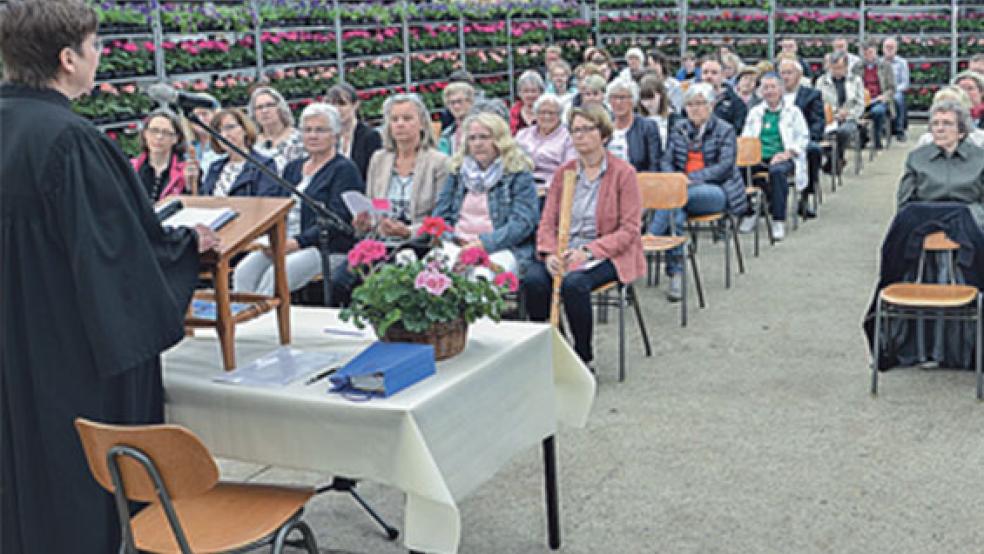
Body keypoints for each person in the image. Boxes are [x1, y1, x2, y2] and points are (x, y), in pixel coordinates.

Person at [0, 2, 218, 552]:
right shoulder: (71, 141)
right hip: (63, 361)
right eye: (95, 46)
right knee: (72, 498)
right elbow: (120, 265)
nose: (99, 57)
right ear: (67, 58)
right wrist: (188, 247)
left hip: (10, 348)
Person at [525, 105, 645, 365]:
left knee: (574, 285)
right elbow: (547, 221)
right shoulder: (564, 173)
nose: (579, 136)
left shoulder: (623, 173)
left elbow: (629, 229)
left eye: (587, 129)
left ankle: (583, 357)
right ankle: (555, 349)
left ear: (603, 134)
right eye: (575, 130)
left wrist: (588, 252)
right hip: (565, 248)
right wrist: (549, 254)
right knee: (533, 280)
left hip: (607, 252)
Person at [234, 103, 362, 296]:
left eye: (320, 130)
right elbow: (278, 209)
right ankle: (242, 314)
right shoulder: (293, 168)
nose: (313, 136)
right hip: (284, 242)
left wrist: (297, 242)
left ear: (335, 135)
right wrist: (272, 240)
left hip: (322, 248)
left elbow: (338, 220)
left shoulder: (344, 170)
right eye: (307, 130)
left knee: (277, 275)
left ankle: (267, 315)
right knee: (244, 272)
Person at [335, 94, 450, 306]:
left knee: (387, 281)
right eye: (394, 119)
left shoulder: (439, 162)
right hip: (381, 239)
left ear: (422, 123)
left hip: (417, 242)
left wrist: (408, 231)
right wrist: (365, 222)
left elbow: (440, 217)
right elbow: (373, 205)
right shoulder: (379, 159)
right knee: (340, 280)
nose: (400, 124)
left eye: (407, 118)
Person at [648, 83, 748, 301]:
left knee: (675, 200)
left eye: (700, 103)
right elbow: (666, 160)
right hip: (680, 193)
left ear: (711, 105)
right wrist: (675, 179)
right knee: (676, 213)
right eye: (690, 104)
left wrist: (690, 180)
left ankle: (649, 238)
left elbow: (724, 167)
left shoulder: (725, 130)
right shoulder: (679, 128)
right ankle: (676, 273)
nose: (695, 108)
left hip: (716, 190)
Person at [431, 112, 539, 279]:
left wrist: (482, 245)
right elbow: (440, 215)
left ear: (500, 140)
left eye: (484, 137)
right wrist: (454, 242)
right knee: (432, 272)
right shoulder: (457, 171)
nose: (478, 143)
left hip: (501, 247)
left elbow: (522, 224)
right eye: (472, 138)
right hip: (456, 243)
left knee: (481, 276)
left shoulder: (518, 173)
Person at [740, 73, 810, 240]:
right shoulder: (755, 112)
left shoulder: (793, 112)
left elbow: (803, 137)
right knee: (738, 171)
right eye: (765, 87)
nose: (769, 91)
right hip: (758, 158)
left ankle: (778, 219)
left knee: (777, 172)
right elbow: (746, 137)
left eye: (773, 87)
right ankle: (750, 212)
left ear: (781, 90)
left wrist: (788, 153)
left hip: (784, 157)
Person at [898, 100, 984, 230]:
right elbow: (905, 204)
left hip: (971, 220)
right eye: (935, 124)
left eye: (947, 123)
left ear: (961, 131)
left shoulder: (980, 158)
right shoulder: (916, 158)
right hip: (927, 220)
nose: (940, 129)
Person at [779, 59, 825, 218]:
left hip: (802, 138)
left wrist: (803, 141)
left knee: (813, 150)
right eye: (782, 73)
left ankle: (805, 195)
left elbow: (818, 122)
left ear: (799, 76)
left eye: (789, 73)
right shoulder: (773, 95)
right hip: (779, 140)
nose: (785, 77)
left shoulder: (812, 95)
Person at [200, 108, 279, 196]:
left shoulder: (264, 165)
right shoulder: (215, 167)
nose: (224, 135)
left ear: (244, 129)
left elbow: (266, 200)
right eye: (218, 131)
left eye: (229, 127)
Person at [515, 93, 576, 193]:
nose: (546, 116)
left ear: (559, 115)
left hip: (551, 189)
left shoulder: (568, 138)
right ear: (535, 114)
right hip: (521, 186)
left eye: (551, 113)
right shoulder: (522, 135)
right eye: (542, 112)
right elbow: (511, 162)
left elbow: (568, 170)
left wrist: (547, 188)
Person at [817, 50, 865, 174]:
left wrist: (849, 114)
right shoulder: (822, 81)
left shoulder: (856, 80)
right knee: (821, 133)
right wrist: (834, 114)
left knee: (843, 131)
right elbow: (818, 103)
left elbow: (860, 104)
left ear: (846, 67)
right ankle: (836, 159)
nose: (837, 71)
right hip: (829, 118)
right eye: (834, 68)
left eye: (840, 68)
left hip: (850, 117)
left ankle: (834, 160)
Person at [130, 108, 192, 201]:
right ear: (145, 134)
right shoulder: (131, 168)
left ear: (176, 138)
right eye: (154, 130)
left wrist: (190, 184)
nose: (159, 137)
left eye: (166, 132)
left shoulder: (187, 170)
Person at [325, 82, 381, 182]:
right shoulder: (328, 137)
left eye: (342, 104)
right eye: (332, 104)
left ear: (355, 105)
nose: (337, 109)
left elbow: (374, 174)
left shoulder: (370, 136)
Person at [606, 78, 662, 172]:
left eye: (623, 97)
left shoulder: (647, 127)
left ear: (633, 100)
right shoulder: (603, 127)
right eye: (614, 97)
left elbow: (654, 165)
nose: (618, 102)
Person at [249, 85, 305, 173]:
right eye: (259, 107)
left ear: (280, 108)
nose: (264, 111)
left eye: (269, 105)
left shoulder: (299, 138)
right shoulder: (251, 143)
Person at [851, 39, 895, 150]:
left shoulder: (885, 66)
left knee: (877, 112)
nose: (868, 56)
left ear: (875, 51)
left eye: (870, 52)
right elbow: (852, 86)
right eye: (865, 53)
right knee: (856, 111)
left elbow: (892, 88)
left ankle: (877, 139)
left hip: (879, 99)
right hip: (862, 99)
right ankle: (862, 137)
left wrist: (884, 96)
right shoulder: (857, 67)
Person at [915, 86, 984, 148]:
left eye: (952, 105)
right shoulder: (926, 140)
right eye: (940, 105)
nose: (945, 108)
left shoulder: (979, 139)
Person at [701, 56, 747, 133]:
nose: (709, 76)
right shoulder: (691, 101)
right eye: (705, 72)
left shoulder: (737, 104)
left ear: (723, 75)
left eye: (714, 73)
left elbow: (737, 131)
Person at [185, 95, 222, 186]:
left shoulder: (223, 146)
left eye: (204, 114)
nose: (200, 119)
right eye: (196, 115)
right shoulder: (187, 147)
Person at [638, 74, 679, 151]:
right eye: (643, 99)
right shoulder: (637, 120)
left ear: (661, 95)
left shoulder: (674, 119)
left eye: (651, 97)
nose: (647, 104)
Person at [881, 37, 910, 142]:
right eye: (887, 47)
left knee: (898, 99)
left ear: (896, 49)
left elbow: (905, 83)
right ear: (883, 49)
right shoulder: (879, 63)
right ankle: (881, 129)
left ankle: (899, 130)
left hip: (896, 91)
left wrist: (893, 90)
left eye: (891, 47)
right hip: (882, 91)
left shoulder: (902, 62)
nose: (889, 49)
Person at [438, 81, 475, 156]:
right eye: (452, 103)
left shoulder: (481, 129)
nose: (456, 106)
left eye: (459, 101)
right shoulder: (446, 134)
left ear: (470, 102)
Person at [510, 70, 545, 135]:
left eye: (533, 91)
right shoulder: (514, 112)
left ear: (541, 92)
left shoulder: (548, 111)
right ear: (519, 93)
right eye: (526, 91)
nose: (530, 95)